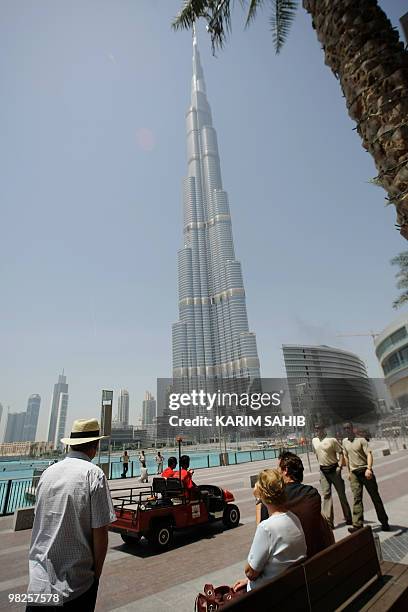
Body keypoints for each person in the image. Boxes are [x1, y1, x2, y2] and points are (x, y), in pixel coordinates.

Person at [27, 418, 116, 611]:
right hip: (76, 587)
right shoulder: (94, 474)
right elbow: (101, 534)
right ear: (95, 445)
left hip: (38, 584)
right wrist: (96, 577)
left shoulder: (47, 473)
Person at [233, 469, 306, 593]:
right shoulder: (294, 518)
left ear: (263, 496)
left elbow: (250, 572)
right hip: (293, 586)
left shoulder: (266, 528)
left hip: (270, 594)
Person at [256, 452, 334, 557]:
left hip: (288, 565)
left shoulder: (273, 502)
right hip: (315, 558)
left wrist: (259, 501)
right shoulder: (312, 494)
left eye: (278, 469)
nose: (277, 472)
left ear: (285, 471)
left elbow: (261, 536)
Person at [343, 422, 389, 533]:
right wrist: (348, 472)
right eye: (345, 429)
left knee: (375, 497)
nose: (347, 430)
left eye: (348, 428)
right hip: (354, 473)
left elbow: (369, 454)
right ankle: (357, 525)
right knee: (356, 498)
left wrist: (369, 468)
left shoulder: (361, 440)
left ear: (352, 429)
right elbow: (346, 456)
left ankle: (384, 522)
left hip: (365, 471)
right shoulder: (344, 442)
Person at [312, 424, 352, 529]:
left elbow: (341, 452)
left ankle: (348, 517)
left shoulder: (332, 440)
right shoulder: (314, 441)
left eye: (319, 428)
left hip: (334, 470)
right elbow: (317, 453)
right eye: (316, 429)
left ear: (323, 429)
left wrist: (339, 466)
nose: (317, 430)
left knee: (341, 494)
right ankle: (329, 523)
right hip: (323, 471)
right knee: (326, 495)